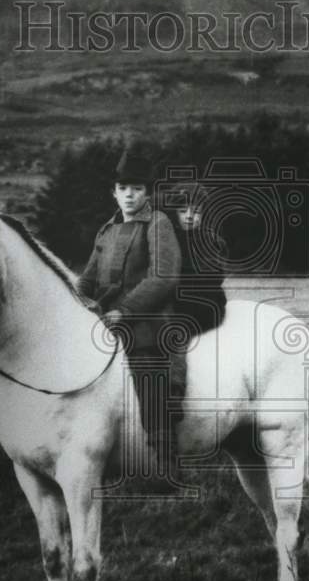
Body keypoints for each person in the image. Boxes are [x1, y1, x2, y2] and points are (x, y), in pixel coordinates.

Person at [77, 145, 184, 479]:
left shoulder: (158, 223)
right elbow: (88, 280)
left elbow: (164, 276)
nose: (129, 195)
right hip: (105, 322)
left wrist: (125, 311)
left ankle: (167, 461)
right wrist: (79, 301)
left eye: (136, 189)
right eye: (123, 188)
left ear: (146, 192)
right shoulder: (106, 231)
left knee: (149, 374)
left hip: (147, 324)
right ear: (114, 192)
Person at [161, 181, 229, 340]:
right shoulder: (166, 240)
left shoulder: (213, 241)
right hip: (175, 304)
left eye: (196, 211)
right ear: (173, 213)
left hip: (204, 307)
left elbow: (215, 279)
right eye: (183, 211)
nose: (190, 216)